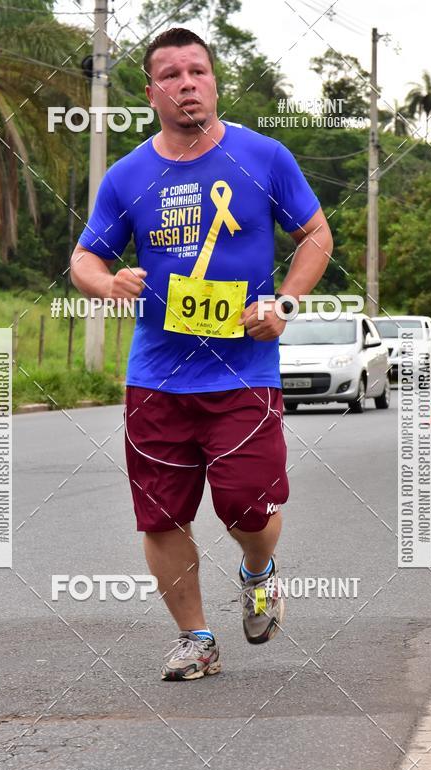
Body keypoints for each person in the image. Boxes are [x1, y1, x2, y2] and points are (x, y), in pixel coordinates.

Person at [70, 27, 332, 681]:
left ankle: (257, 570)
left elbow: (316, 234)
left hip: (244, 370)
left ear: (213, 81)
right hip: (157, 377)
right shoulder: (128, 175)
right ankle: (196, 638)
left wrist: (284, 305)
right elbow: (83, 257)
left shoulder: (264, 157)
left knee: (249, 505)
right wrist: (108, 282)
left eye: (198, 71)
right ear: (151, 90)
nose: (188, 83)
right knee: (160, 516)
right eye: (172, 74)